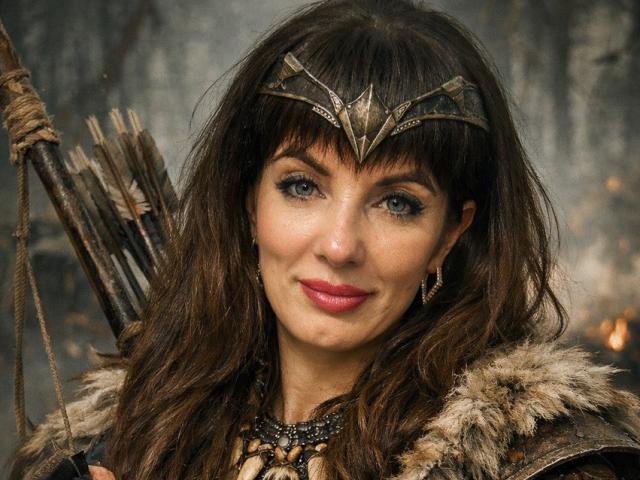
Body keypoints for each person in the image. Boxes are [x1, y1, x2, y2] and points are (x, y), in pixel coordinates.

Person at [10, 1, 640, 479]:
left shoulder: (540, 461)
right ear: (248, 200)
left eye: (398, 203)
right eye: (302, 186)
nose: (340, 247)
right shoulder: (118, 438)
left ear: (450, 234)